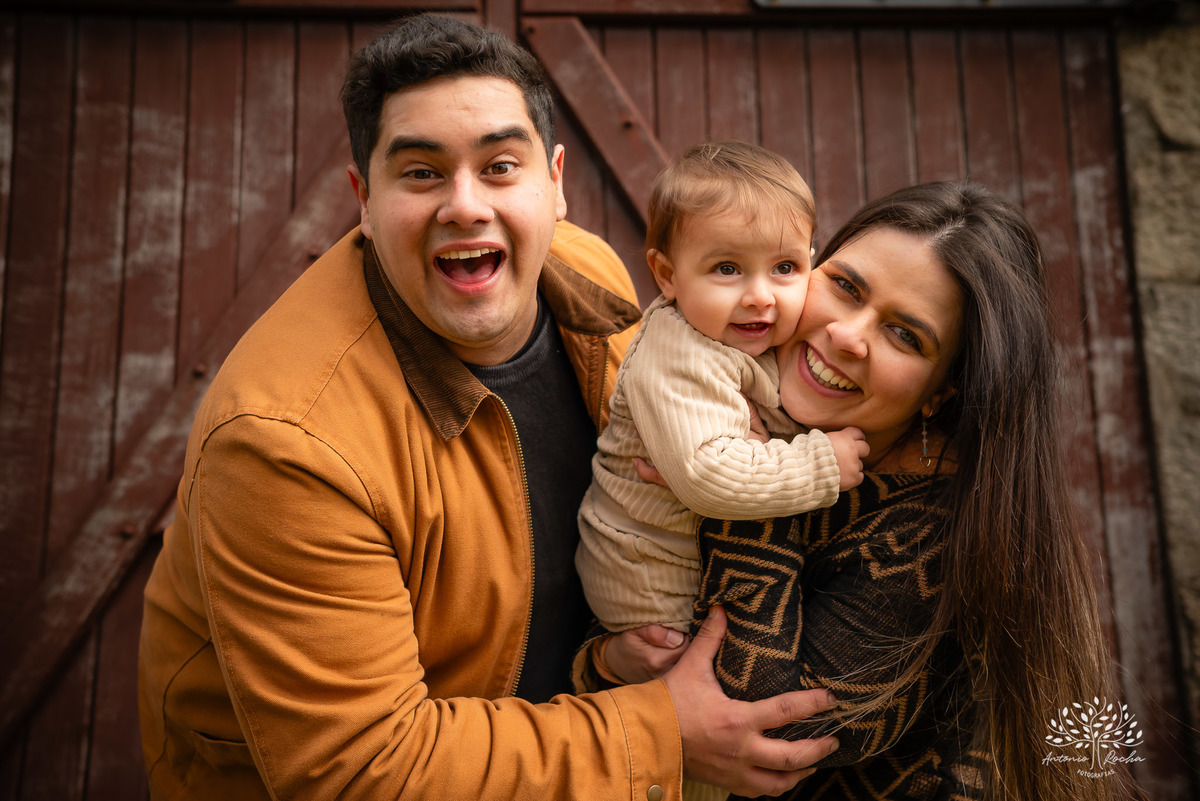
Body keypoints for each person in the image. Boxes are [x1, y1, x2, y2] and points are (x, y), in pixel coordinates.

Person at [136, 13, 840, 801]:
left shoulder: (589, 271)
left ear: (557, 182)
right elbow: (363, 771)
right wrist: (662, 732)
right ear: (364, 200)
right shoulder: (286, 441)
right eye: (422, 173)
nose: (467, 206)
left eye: (501, 165)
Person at [620, 182, 1138, 801]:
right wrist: (602, 663)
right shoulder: (722, 405)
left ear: (941, 393)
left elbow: (766, 724)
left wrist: (753, 486)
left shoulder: (931, 537)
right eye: (844, 286)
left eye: (905, 336)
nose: (847, 335)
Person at [576, 140, 868, 639]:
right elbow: (707, 473)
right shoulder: (676, 355)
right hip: (650, 579)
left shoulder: (751, 338)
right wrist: (820, 462)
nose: (760, 296)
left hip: (693, 558)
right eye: (727, 269)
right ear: (667, 276)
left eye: (785, 268)